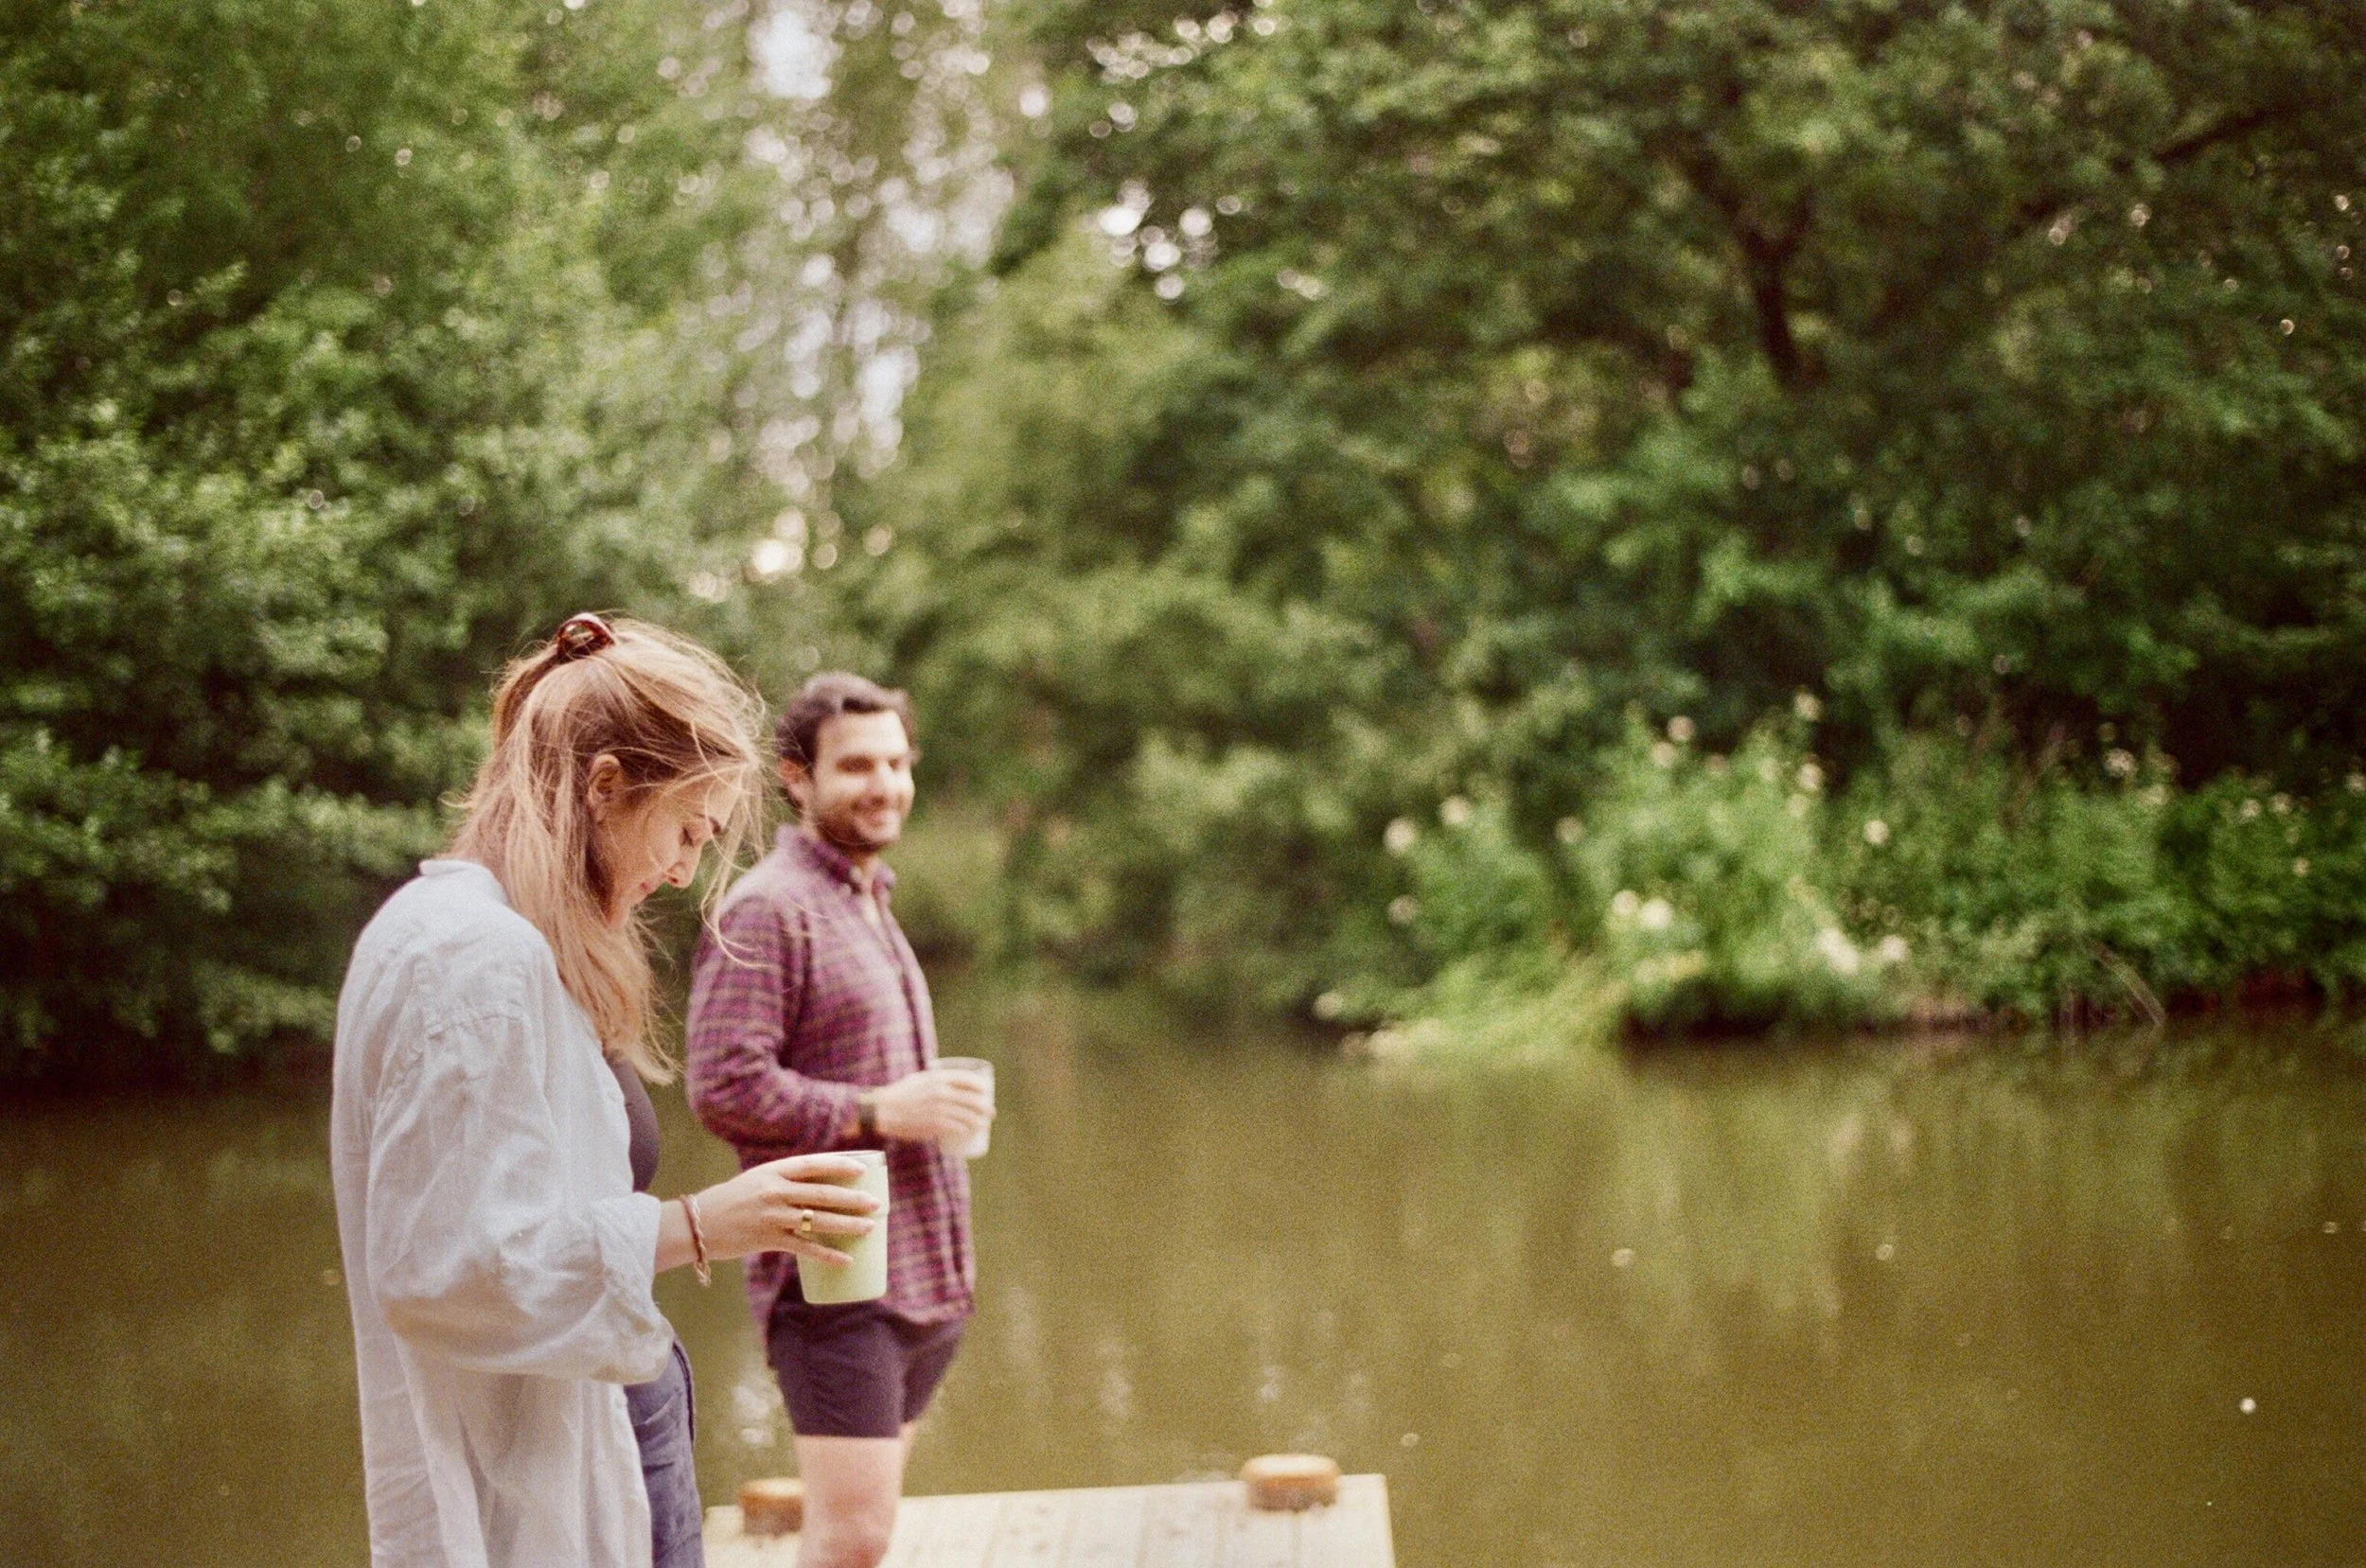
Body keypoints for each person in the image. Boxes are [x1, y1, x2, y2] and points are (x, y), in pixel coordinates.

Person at [330, 615, 883, 1568]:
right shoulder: (471, 956)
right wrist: (703, 1223)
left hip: (617, 1425)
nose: (681, 870)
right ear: (603, 787)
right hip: (548, 1475)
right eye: (683, 831)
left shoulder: (497, 938)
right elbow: (447, 1269)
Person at [685, 673, 991, 1568]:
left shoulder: (863, 893)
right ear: (796, 777)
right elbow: (723, 1085)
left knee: (868, 1536)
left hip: (919, 1272)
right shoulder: (769, 907)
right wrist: (880, 1109)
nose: (885, 783)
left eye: (897, 762)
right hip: (834, 1283)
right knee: (850, 1543)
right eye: (857, 764)